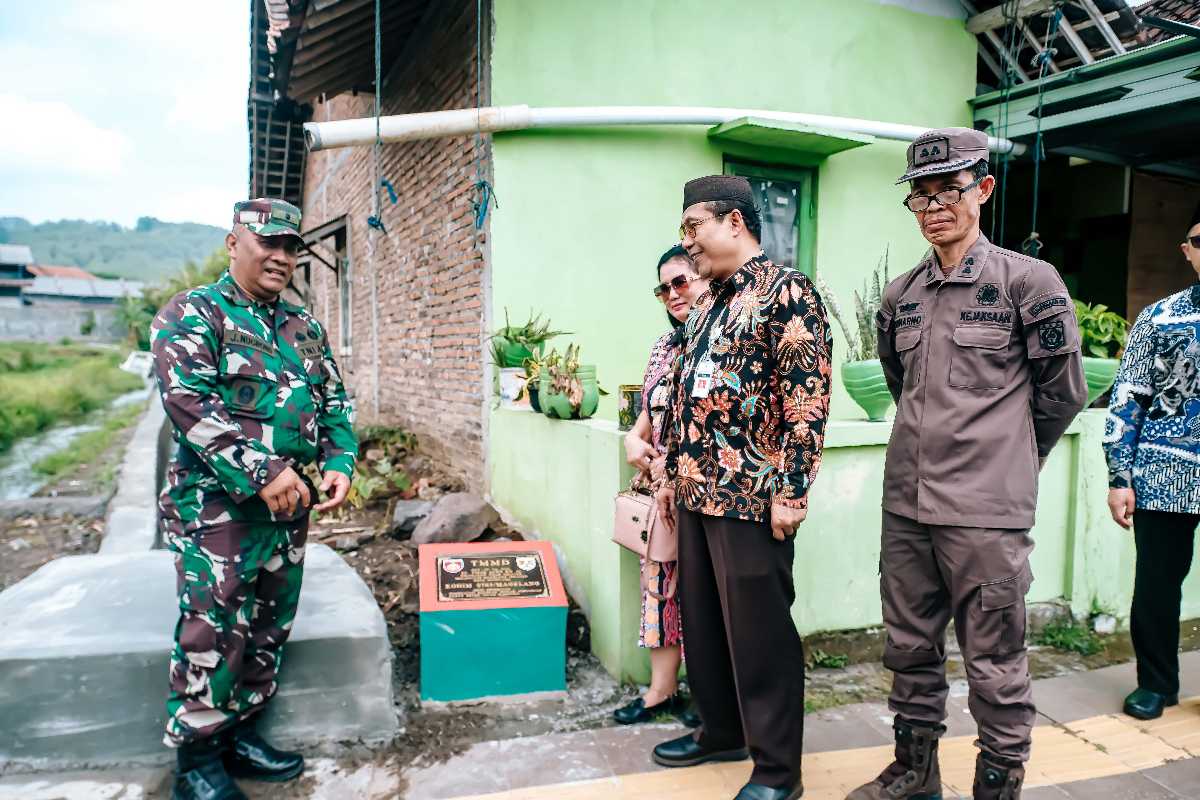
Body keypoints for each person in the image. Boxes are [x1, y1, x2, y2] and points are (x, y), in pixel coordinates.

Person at [848, 129, 1087, 800]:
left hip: (986, 514)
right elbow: (903, 387)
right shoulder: (901, 295)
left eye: (948, 190)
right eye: (920, 196)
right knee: (909, 646)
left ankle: (997, 785)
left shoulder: (1028, 282)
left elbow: (1061, 393)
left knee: (995, 660)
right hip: (908, 508)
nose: (933, 207)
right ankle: (916, 772)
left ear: (982, 189)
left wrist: (1006, 460)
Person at [151, 198, 358, 800]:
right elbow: (189, 403)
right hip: (216, 510)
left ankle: (241, 732)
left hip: (286, 511)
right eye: (268, 242)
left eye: (291, 246)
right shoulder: (195, 314)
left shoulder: (303, 326)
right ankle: (196, 760)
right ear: (233, 242)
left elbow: (335, 404)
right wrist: (262, 471)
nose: (281, 256)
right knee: (213, 626)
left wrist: (340, 460)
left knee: (268, 625)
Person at [652, 175, 832, 800]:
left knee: (760, 635)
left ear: (734, 222)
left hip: (753, 498)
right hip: (699, 493)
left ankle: (779, 770)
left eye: (693, 227)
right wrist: (672, 471)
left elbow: (806, 400)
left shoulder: (788, 294)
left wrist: (793, 488)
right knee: (702, 627)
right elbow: (685, 397)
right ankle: (720, 729)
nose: (688, 243)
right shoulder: (709, 304)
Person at [1104, 202, 1200, 722]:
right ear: (1187, 252)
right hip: (1166, 474)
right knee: (1158, 584)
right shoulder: (1160, 318)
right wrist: (1120, 476)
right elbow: (1128, 398)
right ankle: (1156, 684)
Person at [615, 245, 708, 727]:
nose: (672, 294)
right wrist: (635, 438)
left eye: (681, 281)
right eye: (663, 288)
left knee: (705, 595)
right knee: (660, 588)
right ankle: (661, 691)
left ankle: (713, 698)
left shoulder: (722, 339)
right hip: (661, 494)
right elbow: (647, 418)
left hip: (709, 492)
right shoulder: (665, 347)